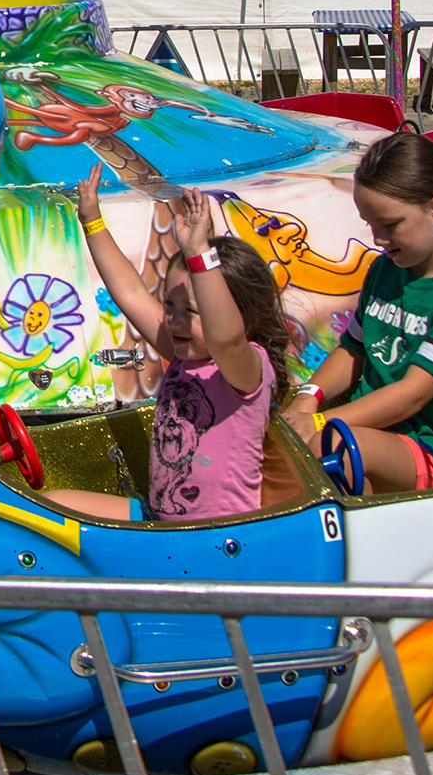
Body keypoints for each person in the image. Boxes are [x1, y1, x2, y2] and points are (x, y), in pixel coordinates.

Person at [45, 168, 299, 521]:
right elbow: (131, 293)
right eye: (169, 305)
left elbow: (225, 339)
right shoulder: (184, 356)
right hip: (161, 520)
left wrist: (199, 253)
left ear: (246, 318)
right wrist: (92, 221)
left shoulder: (246, 370)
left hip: (217, 536)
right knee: (52, 504)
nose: (173, 320)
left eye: (192, 311)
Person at [284, 132, 433, 494]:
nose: (378, 239)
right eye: (370, 224)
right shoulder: (387, 269)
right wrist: (306, 397)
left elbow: (413, 394)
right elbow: (353, 350)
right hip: (371, 435)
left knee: (333, 449)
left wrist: (321, 420)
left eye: (390, 225)